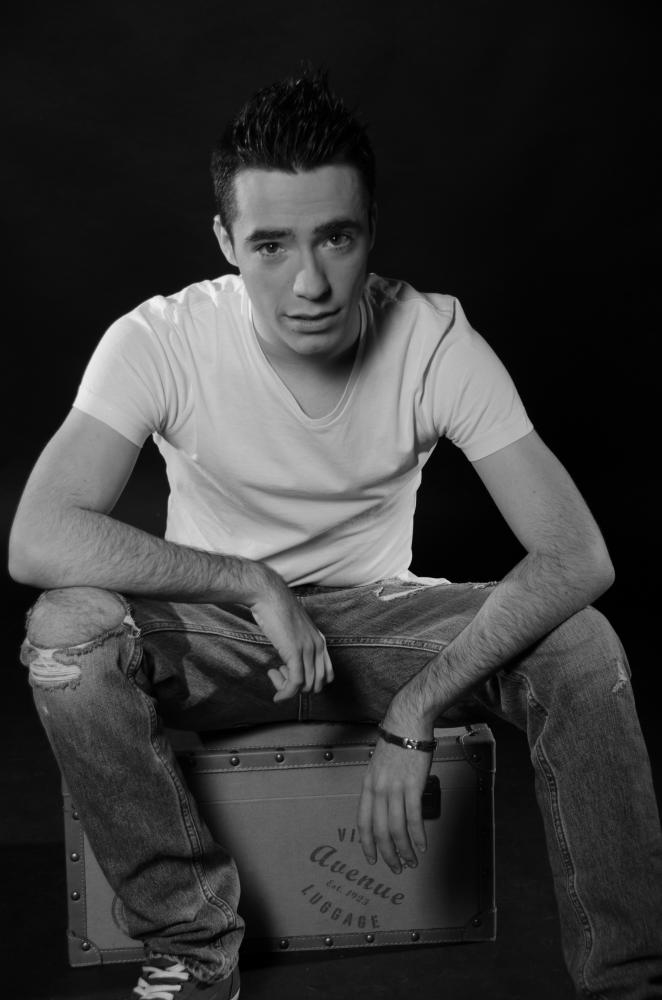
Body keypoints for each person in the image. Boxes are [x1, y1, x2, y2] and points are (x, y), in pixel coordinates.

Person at [8, 69, 661, 1000]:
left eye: (336, 238)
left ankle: (631, 982)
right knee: (66, 635)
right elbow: (37, 537)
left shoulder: (433, 339)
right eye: (271, 245)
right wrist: (252, 583)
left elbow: (577, 555)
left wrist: (415, 710)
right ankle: (193, 946)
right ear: (227, 242)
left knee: (584, 645)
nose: (309, 282)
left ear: (371, 229)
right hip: (217, 636)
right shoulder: (160, 339)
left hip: (379, 630)